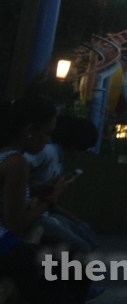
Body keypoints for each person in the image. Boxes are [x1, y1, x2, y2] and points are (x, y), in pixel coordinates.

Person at [0, 96, 82, 303]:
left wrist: (40, 191)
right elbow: (16, 225)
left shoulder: (5, 156)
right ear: (29, 130)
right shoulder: (17, 163)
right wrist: (53, 196)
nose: (47, 140)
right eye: (46, 133)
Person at [26, 116, 100, 254]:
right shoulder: (48, 152)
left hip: (44, 212)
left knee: (86, 233)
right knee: (81, 247)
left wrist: (76, 221)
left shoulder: (58, 161)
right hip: (34, 217)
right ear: (75, 145)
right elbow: (22, 166)